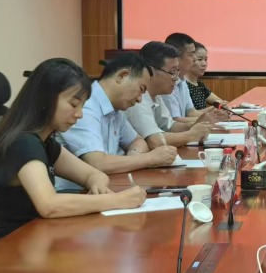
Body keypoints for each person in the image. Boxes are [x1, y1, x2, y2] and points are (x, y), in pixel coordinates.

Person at [0, 58, 146, 248]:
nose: (79, 114)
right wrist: (115, 200)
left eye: (82, 106)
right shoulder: (22, 142)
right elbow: (49, 205)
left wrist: (97, 185)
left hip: (30, 238)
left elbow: (92, 173)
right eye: (73, 104)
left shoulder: (44, 141)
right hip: (1, 250)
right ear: (46, 98)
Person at [56, 52, 178, 188]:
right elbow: (97, 163)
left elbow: (138, 141)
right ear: (122, 76)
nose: (139, 99)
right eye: (141, 89)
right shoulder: (86, 106)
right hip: (75, 194)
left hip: (107, 188)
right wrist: (150, 159)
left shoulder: (114, 110)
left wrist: (134, 158)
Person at [126, 41, 212, 148]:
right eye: (172, 72)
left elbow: (171, 126)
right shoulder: (137, 98)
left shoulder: (156, 95)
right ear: (150, 71)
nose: (176, 78)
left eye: (177, 71)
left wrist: (194, 125)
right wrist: (191, 135)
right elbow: (154, 141)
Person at [163, 33, 205, 121]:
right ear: (176, 57)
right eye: (191, 54)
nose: (195, 59)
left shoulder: (182, 80)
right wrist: (209, 119)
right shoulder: (166, 82)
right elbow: (175, 120)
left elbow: (191, 112)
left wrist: (214, 113)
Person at [184, 42, 226, 109]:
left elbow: (221, 102)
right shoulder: (183, 85)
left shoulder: (199, 84)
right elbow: (189, 114)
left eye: (205, 60)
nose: (204, 64)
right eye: (199, 59)